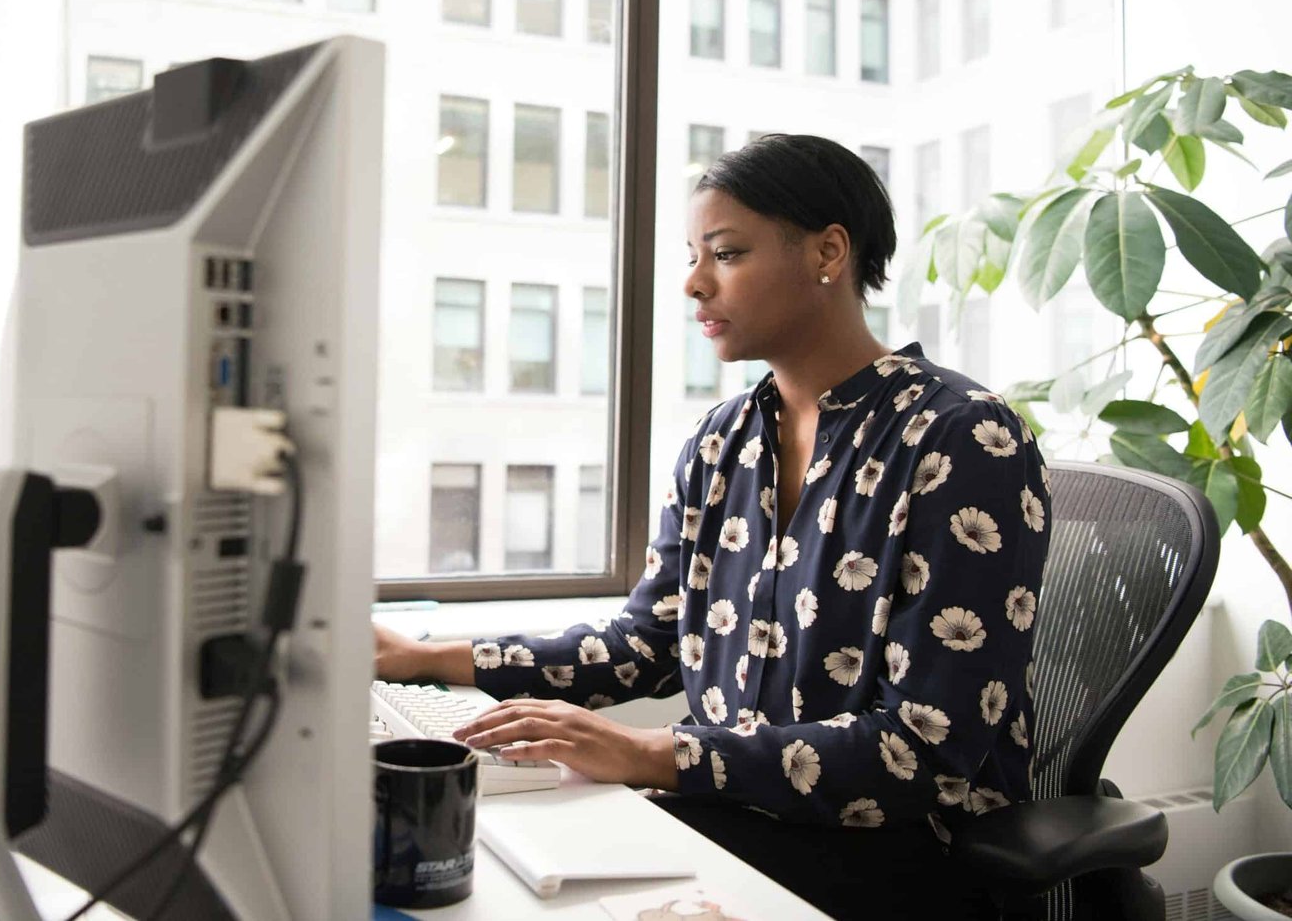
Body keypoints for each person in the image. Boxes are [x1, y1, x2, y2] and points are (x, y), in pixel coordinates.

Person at [374, 134, 1049, 921]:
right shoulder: (724, 439)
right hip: (731, 825)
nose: (695, 283)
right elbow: (647, 644)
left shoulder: (963, 438)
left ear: (828, 252)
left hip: (901, 857)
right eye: (695, 256)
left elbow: (924, 751)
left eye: (725, 254)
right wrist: (428, 659)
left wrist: (650, 754)